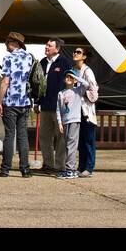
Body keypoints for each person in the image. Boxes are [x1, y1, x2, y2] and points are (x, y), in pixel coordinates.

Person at [0, 31, 35, 178]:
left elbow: (5, 81)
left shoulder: (8, 58)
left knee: (9, 135)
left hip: (11, 101)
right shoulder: (29, 57)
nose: (6, 44)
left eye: (8, 42)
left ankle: (5, 169)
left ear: (15, 43)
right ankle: (25, 169)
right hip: (24, 102)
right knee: (23, 136)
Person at [36, 39, 71, 174]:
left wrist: (65, 103)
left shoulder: (64, 62)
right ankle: (48, 164)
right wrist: (37, 101)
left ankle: (60, 165)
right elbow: (38, 83)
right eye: (46, 45)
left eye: (49, 46)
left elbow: (67, 83)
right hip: (45, 106)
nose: (46, 47)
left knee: (61, 137)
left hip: (59, 107)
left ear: (57, 49)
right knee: (44, 136)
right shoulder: (43, 62)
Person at [70, 46, 100, 177]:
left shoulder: (88, 71)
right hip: (75, 110)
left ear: (84, 56)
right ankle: (81, 166)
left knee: (88, 140)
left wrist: (82, 92)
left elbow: (94, 91)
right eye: (74, 52)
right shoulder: (72, 70)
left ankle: (89, 167)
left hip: (86, 110)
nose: (75, 54)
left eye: (78, 52)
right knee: (80, 140)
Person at [57, 69, 84, 179]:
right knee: (67, 145)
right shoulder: (61, 93)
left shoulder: (78, 91)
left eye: (71, 77)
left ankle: (70, 169)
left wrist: (75, 77)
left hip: (74, 120)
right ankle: (70, 168)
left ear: (75, 80)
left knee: (71, 145)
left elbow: (86, 84)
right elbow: (58, 109)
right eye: (67, 77)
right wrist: (60, 122)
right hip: (65, 122)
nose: (68, 78)